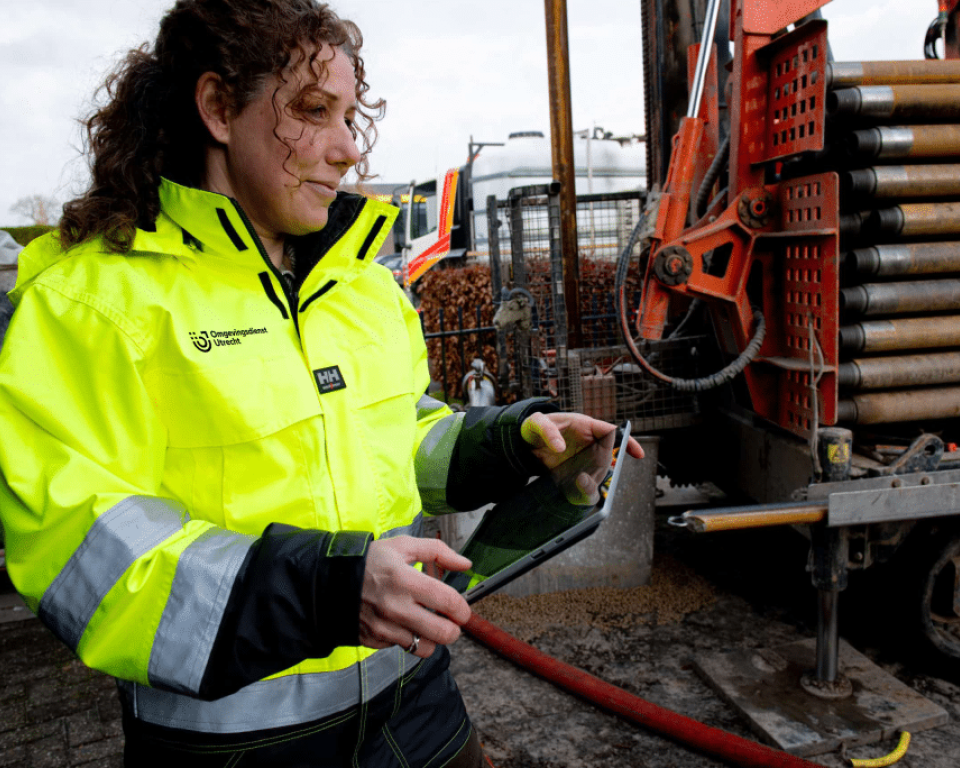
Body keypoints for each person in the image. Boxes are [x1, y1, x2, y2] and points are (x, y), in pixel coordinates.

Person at [0, 1, 643, 766]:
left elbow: (402, 436)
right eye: (314, 112)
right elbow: (81, 549)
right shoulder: (89, 305)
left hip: (419, 709)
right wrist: (324, 592)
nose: (346, 149)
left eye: (350, 117)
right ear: (215, 108)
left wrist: (512, 442)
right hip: (236, 745)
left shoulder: (363, 286)